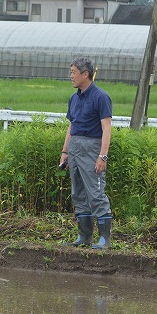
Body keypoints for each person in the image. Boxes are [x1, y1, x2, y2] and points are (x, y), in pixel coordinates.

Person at [59, 57, 113, 249]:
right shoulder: (74, 98)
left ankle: (105, 239)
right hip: (75, 148)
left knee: (96, 193)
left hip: (92, 149)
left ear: (85, 74)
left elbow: (106, 128)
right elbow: (71, 126)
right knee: (78, 193)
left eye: (73, 72)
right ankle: (84, 237)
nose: (70, 76)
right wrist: (65, 152)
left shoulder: (100, 97)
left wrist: (102, 156)